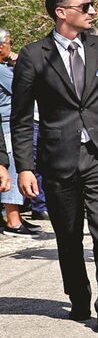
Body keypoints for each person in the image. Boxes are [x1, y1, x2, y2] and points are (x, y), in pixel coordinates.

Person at [11, 0, 98, 331]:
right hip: (59, 158)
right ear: (61, 12)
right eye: (85, 7)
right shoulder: (34, 55)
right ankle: (79, 297)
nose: (92, 12)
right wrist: (24, 167)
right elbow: (21, 118)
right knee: (68, 235)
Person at [1, 28, 41, 237]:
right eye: (9, 43)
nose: (11, 47)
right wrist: (19, 64)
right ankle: (13, 221)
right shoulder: (2, 70)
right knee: (14, 168)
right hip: (6, 125)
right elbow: (23, 85)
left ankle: (16, 216)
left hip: (12, 123)